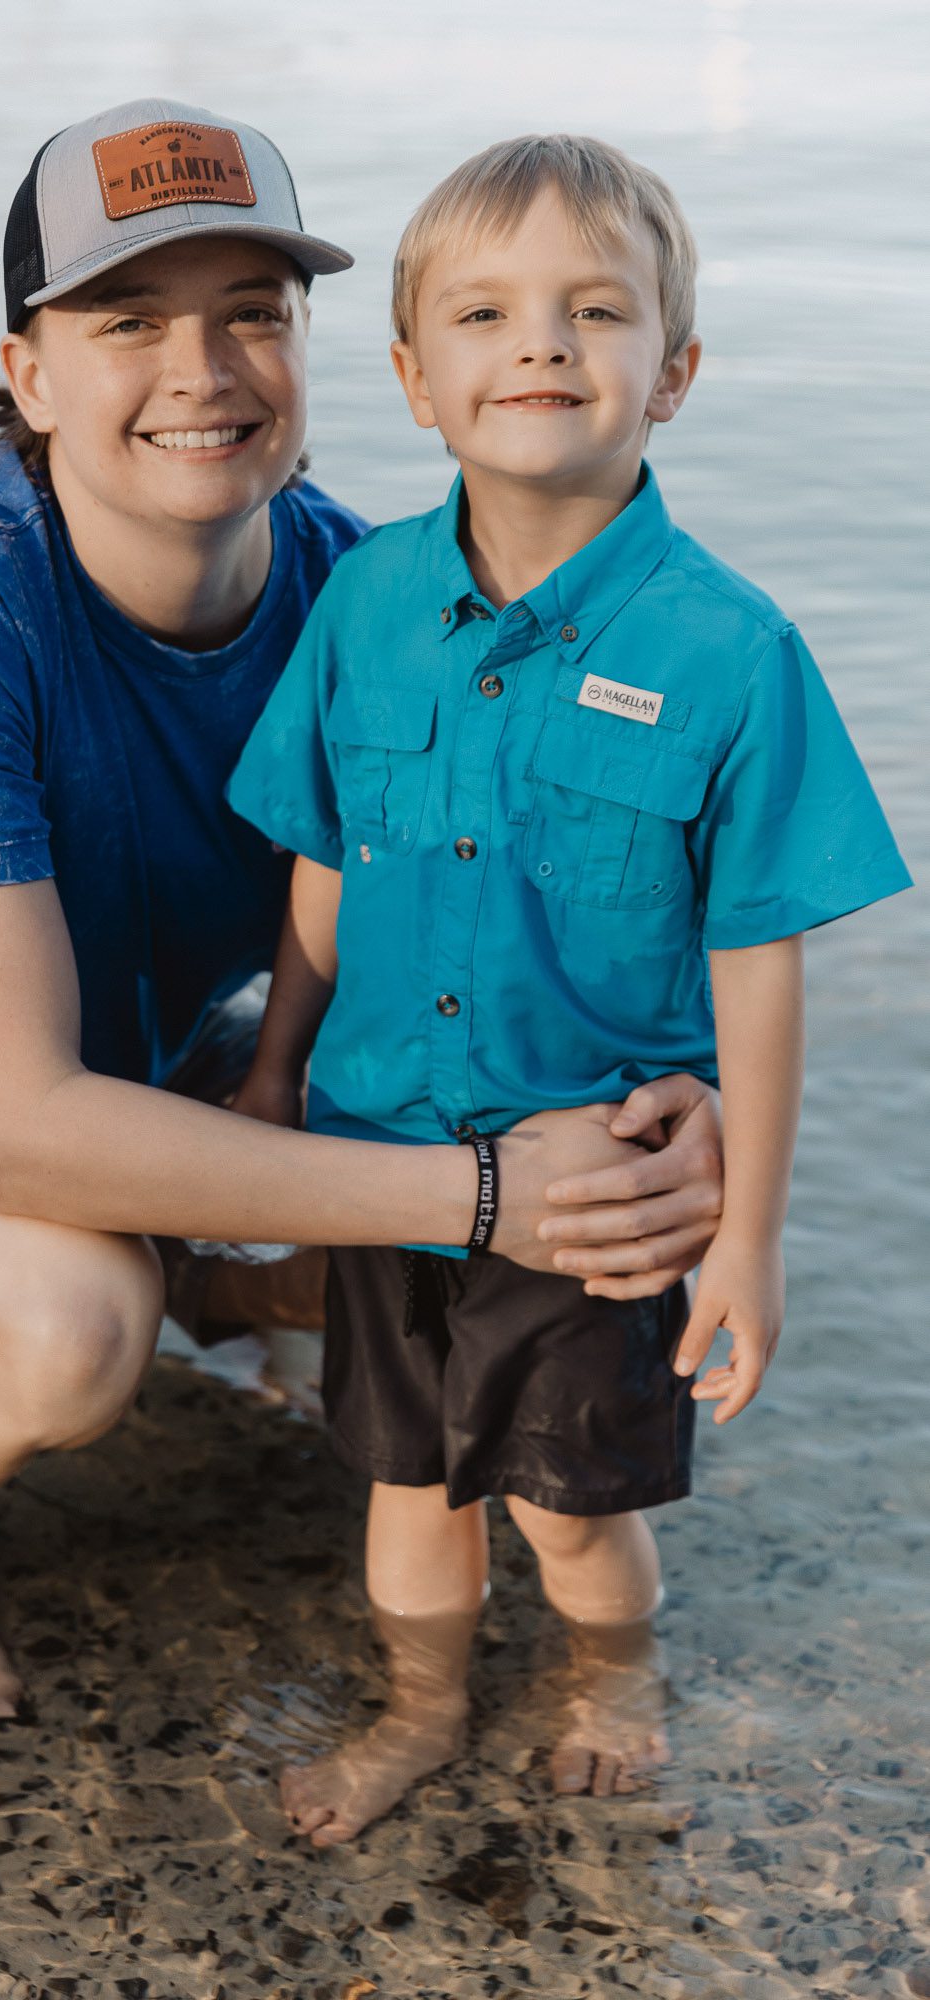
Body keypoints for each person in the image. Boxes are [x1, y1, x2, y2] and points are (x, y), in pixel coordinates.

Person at [0, 102, 727, 1727]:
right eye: (128, 320)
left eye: (252, 313)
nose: (202, 370)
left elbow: (527, 934)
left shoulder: (372, 592)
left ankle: (237, 1303)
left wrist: (673, 1113)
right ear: (27, 373)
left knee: (591, 1183)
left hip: (163, 1069)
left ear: (319, 351)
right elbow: (12, 1132)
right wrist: (491, 1192)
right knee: (66, 1324)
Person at [227, 132, 911, 1840]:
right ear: (409, 375)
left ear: (669, 372)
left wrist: (745, 1223)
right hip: (384, 1153)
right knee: (403, 1481)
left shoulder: (727, 650)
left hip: (599, 1179)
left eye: (592, 311)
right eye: (483, 312)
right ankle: (421, 1709)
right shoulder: (363, 601)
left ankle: (613, 1672)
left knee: (569, 1507)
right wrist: (266, 1092)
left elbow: (760, 947)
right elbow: (321, 867)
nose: (537, 345)